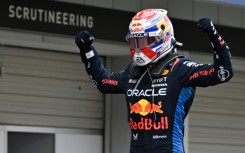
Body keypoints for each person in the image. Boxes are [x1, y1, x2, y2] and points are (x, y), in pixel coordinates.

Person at [75, 9, 233, 153]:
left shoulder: (180, 68)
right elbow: (103, 82)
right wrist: (87, 51)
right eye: (135, 42)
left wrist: (214, 36)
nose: (138, 48)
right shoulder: (133, 71)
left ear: (162, 38)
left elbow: (222, 73)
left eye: (144, 41)